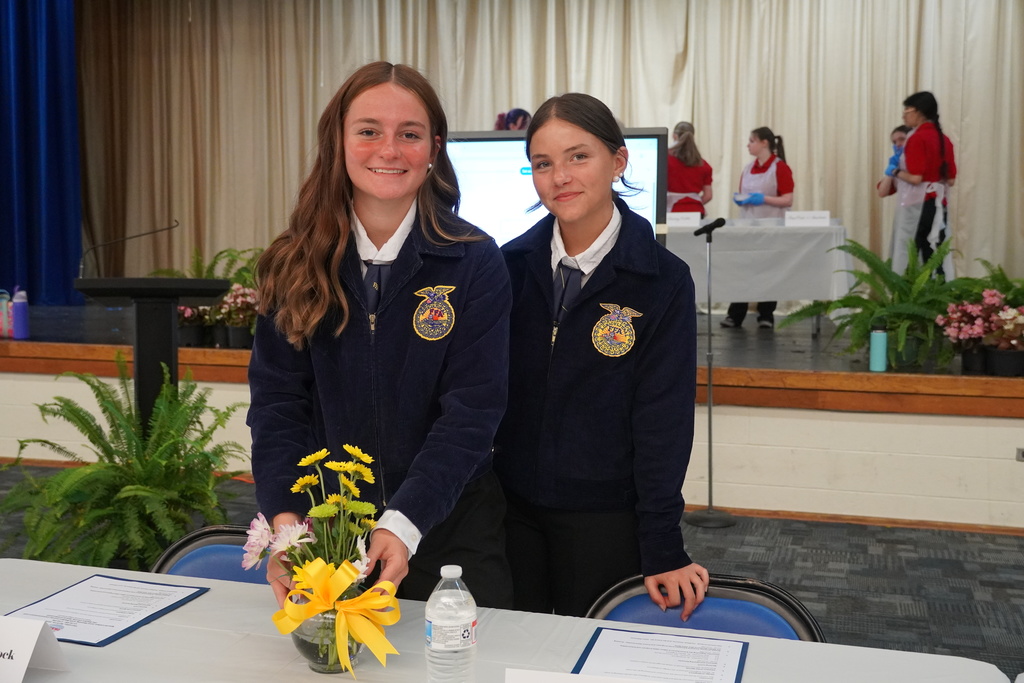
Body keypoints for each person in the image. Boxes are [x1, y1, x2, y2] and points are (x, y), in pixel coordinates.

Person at [247, 61, 514, 609]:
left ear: (434, 148)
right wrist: (286, 526)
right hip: (330, 531)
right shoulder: (292, 262)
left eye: (409, 134)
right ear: (338, 140)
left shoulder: (474, 261)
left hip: (449, 528)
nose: (388, 150)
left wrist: (404, 522)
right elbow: (277, 408)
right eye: (368, 130)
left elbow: (472, 413)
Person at [495, 93, 709, 620]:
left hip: (605, 519)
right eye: (543, 164)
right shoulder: (508, 267)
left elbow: (663, 420)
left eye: (578, 156)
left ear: (617, 161)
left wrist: (662, 541)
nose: (560, 177)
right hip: (509, 512)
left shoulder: (663, 281)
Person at [723, 126, 794, 329]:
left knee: (769, 270)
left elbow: (788, 199)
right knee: (743, 269)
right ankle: (736, 314)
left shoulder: (780, 168)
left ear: (765, 143)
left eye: (752, 141)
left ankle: (766, 314)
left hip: (772, 227)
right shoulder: (747, 168)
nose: (748, 145)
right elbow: (742, 192)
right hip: (748, 226)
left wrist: (764, 199)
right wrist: (741, 199)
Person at [886, 92, 957, 276]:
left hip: (918, 206)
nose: (904, 115)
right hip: (939, 205)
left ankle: (906, 299)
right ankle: (940, 298)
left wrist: (895, 171)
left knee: (910, 254)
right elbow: (950, 180)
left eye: (907, 110)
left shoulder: (917, 138)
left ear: (919, 112)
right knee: (934, 255)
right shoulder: (944, 139)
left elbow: (916, 178)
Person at [666, 121, 713, 215]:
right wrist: (694, 203)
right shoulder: (703, 164)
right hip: (696, 211)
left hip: (673, 209)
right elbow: (708, 195)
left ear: (675, 136)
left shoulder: (665, 160)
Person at [875, 125, 911, 198]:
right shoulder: (899, 165)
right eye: (894, 142)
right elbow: (882, 193)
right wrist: (891, 170)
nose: (898, 144)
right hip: (907, 207)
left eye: (902, 139)